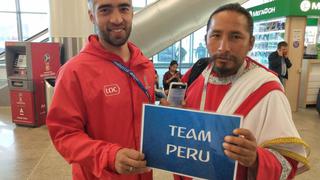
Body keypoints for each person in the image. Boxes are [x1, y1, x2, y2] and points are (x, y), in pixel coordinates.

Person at [174, 3, 309, 180]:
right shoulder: (196, 74)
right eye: (216, 35)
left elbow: (287, 164)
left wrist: (256, 159)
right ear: (206, 38)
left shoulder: (268, 90)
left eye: (235, 36)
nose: (223, 47)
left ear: (251, 43)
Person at [46, 0, 155, 179]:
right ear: (92, 16)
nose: (117, 19)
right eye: (105, 10)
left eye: (124, 9)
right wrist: (110, 156)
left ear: (132, 13)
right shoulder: (74, 72)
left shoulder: (144, 66)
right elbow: (64, 135)